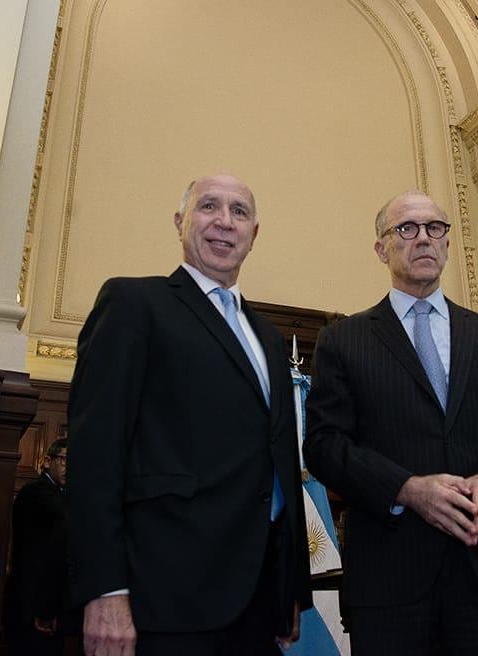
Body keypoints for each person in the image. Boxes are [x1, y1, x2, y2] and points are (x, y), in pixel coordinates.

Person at [67, 174, 311, 656]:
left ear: (254, 234)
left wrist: (292, 587)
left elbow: (280, 462)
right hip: (162, 599)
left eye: (239, 212)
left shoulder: (266, 335)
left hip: (259, 600)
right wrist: (105, 589)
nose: (224, 221)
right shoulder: (134, 303)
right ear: (181, 223)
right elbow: (96, 455)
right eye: (208, 207)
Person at [304, 190, 478, 655]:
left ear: (447, 243)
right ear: (381, 248)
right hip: (390, 585)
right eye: (406, 229)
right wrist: (407, 489)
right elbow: (324, 445)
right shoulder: (343, 340)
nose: (423, 239)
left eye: (434, 228)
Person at [4, 438, 78, 656]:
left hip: (46, 607)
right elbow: (44, 558)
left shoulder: (59, 494)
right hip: (32, 608)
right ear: (47, 461)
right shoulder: (37, 492)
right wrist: (45, 609)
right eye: (66, 461)